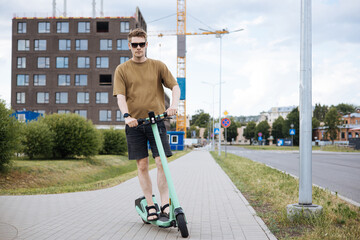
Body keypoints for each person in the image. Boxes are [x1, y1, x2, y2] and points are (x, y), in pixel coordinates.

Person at [113, 28, 181, 221]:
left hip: (157, 122)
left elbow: (175, 87)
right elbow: (120, 96)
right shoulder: (122, 69)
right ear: (129, 46)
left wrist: (173, 106)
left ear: (146, 45)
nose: (138, 48)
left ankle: (165, 204)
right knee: (142, 165)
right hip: (135, 125)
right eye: (134, 44)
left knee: (161, 163)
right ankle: (150, 205)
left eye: (141, 44)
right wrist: (126, 116)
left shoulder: (158, 66)